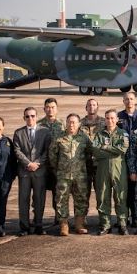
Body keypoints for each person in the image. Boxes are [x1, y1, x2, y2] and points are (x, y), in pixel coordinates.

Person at [48, 114, 93, 236]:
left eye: (74, 122)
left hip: (80, 175)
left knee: (81, 199)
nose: (71, 125)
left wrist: (84, 169)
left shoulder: (84, 138)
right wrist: (59, 169)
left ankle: (79, 223)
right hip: (63, 175)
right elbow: (52, 156)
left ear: (79, 124)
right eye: (69, 122)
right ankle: (64, 224)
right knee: (61, 199)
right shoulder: (59, 138)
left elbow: (90, 154)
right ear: (66, 123)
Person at [13, 107, 51, 236]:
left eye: (33, 116)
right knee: (23, 200)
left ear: (36, 116)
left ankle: (39, 225)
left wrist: (37, 163)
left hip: (39, 171)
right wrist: (28, 163)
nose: (30, 118)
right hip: (24, 172)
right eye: (27, 116)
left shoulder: (45, 132)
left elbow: (47, 151)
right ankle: (24, 227)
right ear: (24, 118)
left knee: (39, 199)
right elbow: (17, 151)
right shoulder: (18, 133)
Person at [91, 109, 130, 235]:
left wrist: (106, 147)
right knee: (102, 197)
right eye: (107, 118)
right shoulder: (99, 134)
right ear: (105, 119)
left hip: (119, 170)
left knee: (121, 196)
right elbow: (95, 151)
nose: (110, 120)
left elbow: (122, 149)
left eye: (112, 118)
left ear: (117, 119)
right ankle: (105, 224)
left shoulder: (122, 133)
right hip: (102, 169)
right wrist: (111, 150)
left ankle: (122, 223)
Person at [118, 92, 137, 228]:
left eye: (131, 99)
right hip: (122, 159)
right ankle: (124, 217)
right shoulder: (119, 117)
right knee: (124, 190)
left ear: (135, 101)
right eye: (127, 99)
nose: (129, 101)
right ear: (123, 101)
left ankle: (136, 216)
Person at [38, 97, 64, 225]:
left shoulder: (62, 125)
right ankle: (38, 218)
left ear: (57, 109)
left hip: (57, 165)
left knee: (57, 192)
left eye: (53, 107)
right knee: (39, 192)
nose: (50, 110)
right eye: (48, 107)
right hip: (42, 165)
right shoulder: (38, 125)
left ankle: (58, 217)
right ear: (44, 109)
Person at [80, 98, 105, 207]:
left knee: (101, 193)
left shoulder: (104, 122)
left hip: (99, 164)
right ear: (86, 108)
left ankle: (103, 219)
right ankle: (82, 219)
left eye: (94, 105)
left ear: (97, 107)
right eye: (89, 105)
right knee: (83, 193)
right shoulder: (79, 123)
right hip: (84, 164)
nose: (92, 107)